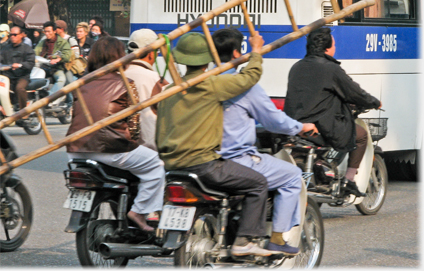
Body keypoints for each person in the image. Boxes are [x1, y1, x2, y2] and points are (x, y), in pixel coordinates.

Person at [156, 31, 282, 257]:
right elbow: (250, 77)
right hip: (204, 166)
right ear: (207, 59)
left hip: (171, 167)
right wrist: (256, 51)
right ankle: (244, 241)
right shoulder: (211, 84)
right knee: (258, 183)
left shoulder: (168, 91)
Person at [212, 28, 317, 255]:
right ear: (236, 52)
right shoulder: (242, 85)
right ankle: (277, 238)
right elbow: (274, 121)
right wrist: (301, 127)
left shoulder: (201, 81)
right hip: (236, 159)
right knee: (292, 176)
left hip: (203, 157)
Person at [66, 36, 165, 232]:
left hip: (76, 150)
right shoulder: (125, 83)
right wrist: (137, 143)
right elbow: (134, 125)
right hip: (110, 149)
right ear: (120, 57)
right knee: (156, 166)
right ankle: (139, 211)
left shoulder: (80, 83)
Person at [284, 27, 382, 197]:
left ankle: (323, 166)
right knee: (360, 135)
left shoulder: (296, 67)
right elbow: (354, 92)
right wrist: (374, 102)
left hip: (295, 124)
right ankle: (349, 179)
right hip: (321, 126)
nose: (335, 48)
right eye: (334, 45)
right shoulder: (331, 69)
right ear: (327, 49)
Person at [125, 28, 168, 151]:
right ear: (151, 54)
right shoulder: (156, 80)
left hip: (120, 148)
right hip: (149, 149)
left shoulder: (117, 73)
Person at [0, 25, 35, 114]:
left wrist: (20, 65)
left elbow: (30, 63)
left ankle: (23, 112)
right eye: (11, 35)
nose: (13, 37)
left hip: (22, 76)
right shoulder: (6, 48)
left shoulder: (27, 48)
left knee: (19, 88)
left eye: (15, 35)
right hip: (8, 76)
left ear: (21, 35)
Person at [34, 21, 72, 106]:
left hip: (56, 67)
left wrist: (58, 59)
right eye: (45, 31)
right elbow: (35, 52)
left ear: (55, 31)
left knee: (61, 78)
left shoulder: (62, 42)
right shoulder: (43, 41)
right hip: (42, 66)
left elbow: (67, 55)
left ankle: (50, 97)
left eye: (49, 31)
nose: (47, 33)